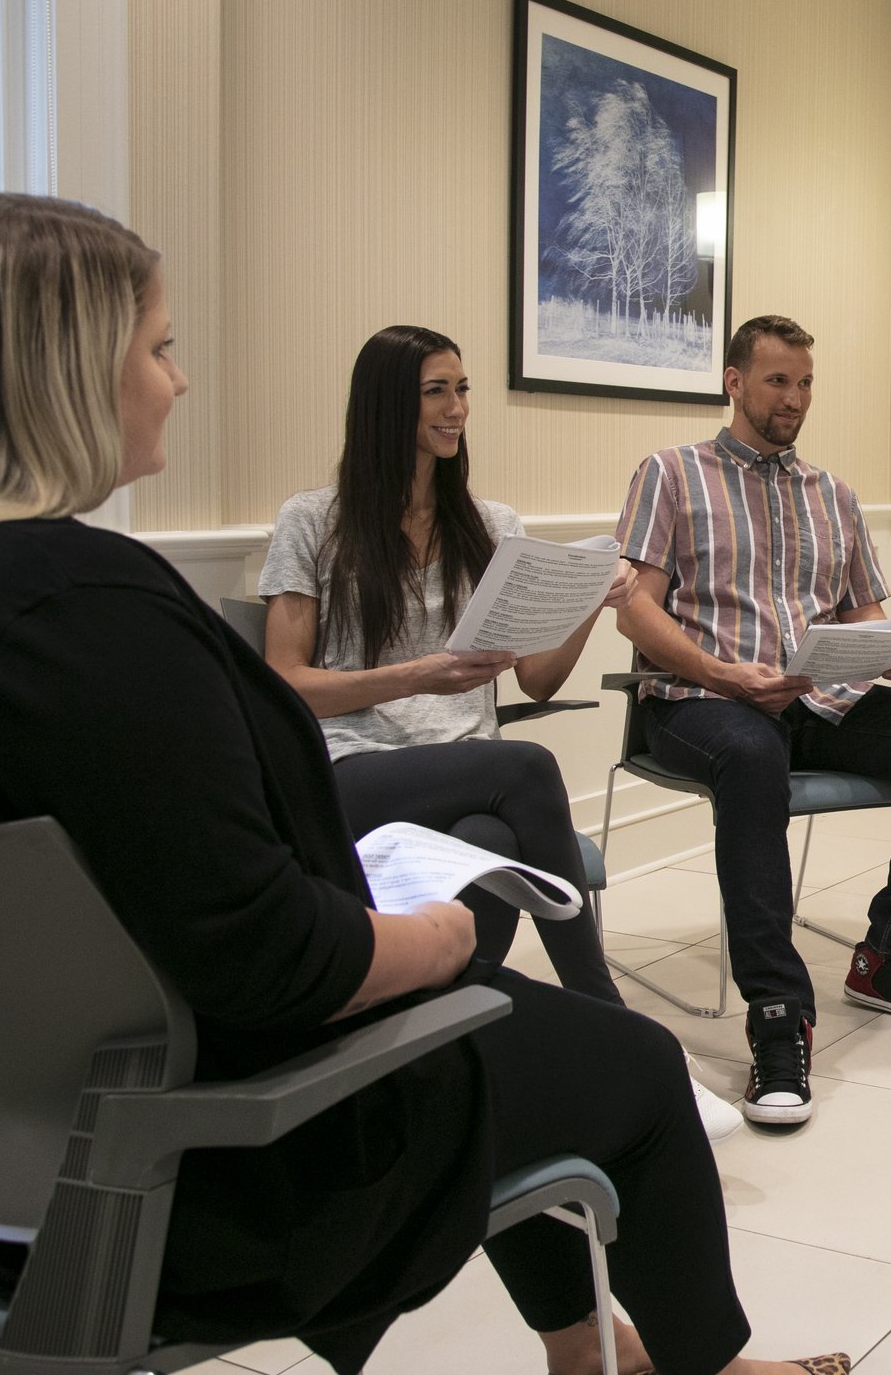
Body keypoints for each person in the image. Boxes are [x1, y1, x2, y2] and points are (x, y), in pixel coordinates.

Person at [0, 194, 846, 1375]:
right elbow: (282, 961)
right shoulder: (83, 615)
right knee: (626, 1064)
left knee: (511, 1030)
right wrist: (441, 937)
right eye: (160, 347)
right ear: (65, 371)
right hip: (200, 1179)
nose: (176, 381)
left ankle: (585, 1353)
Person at [255, 325, 738, 1140]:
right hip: (352, 773)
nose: (458, 408)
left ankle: (460, 1061)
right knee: (525, 767)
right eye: (436, 392)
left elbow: (536, 679)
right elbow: (284, 685)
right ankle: (619, 1031)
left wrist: (595, 599)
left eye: (463, 389)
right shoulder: (312, 521)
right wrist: (417, 675)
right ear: (387, 406)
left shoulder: (490, 527)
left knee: (492, 836)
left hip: (471, 782)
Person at [613, 314, 891, 1126]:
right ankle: (778, 1016)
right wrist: (722, 672)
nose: (793, 398)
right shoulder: (671, 474)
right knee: (753, 753)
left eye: (805, 383)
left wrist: (890, 649)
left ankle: (888, 952)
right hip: (699, 702)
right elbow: (635, 612)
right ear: (735, 383)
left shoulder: (834, 494)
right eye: (777, 381)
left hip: (816, 702)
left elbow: (865, 614)